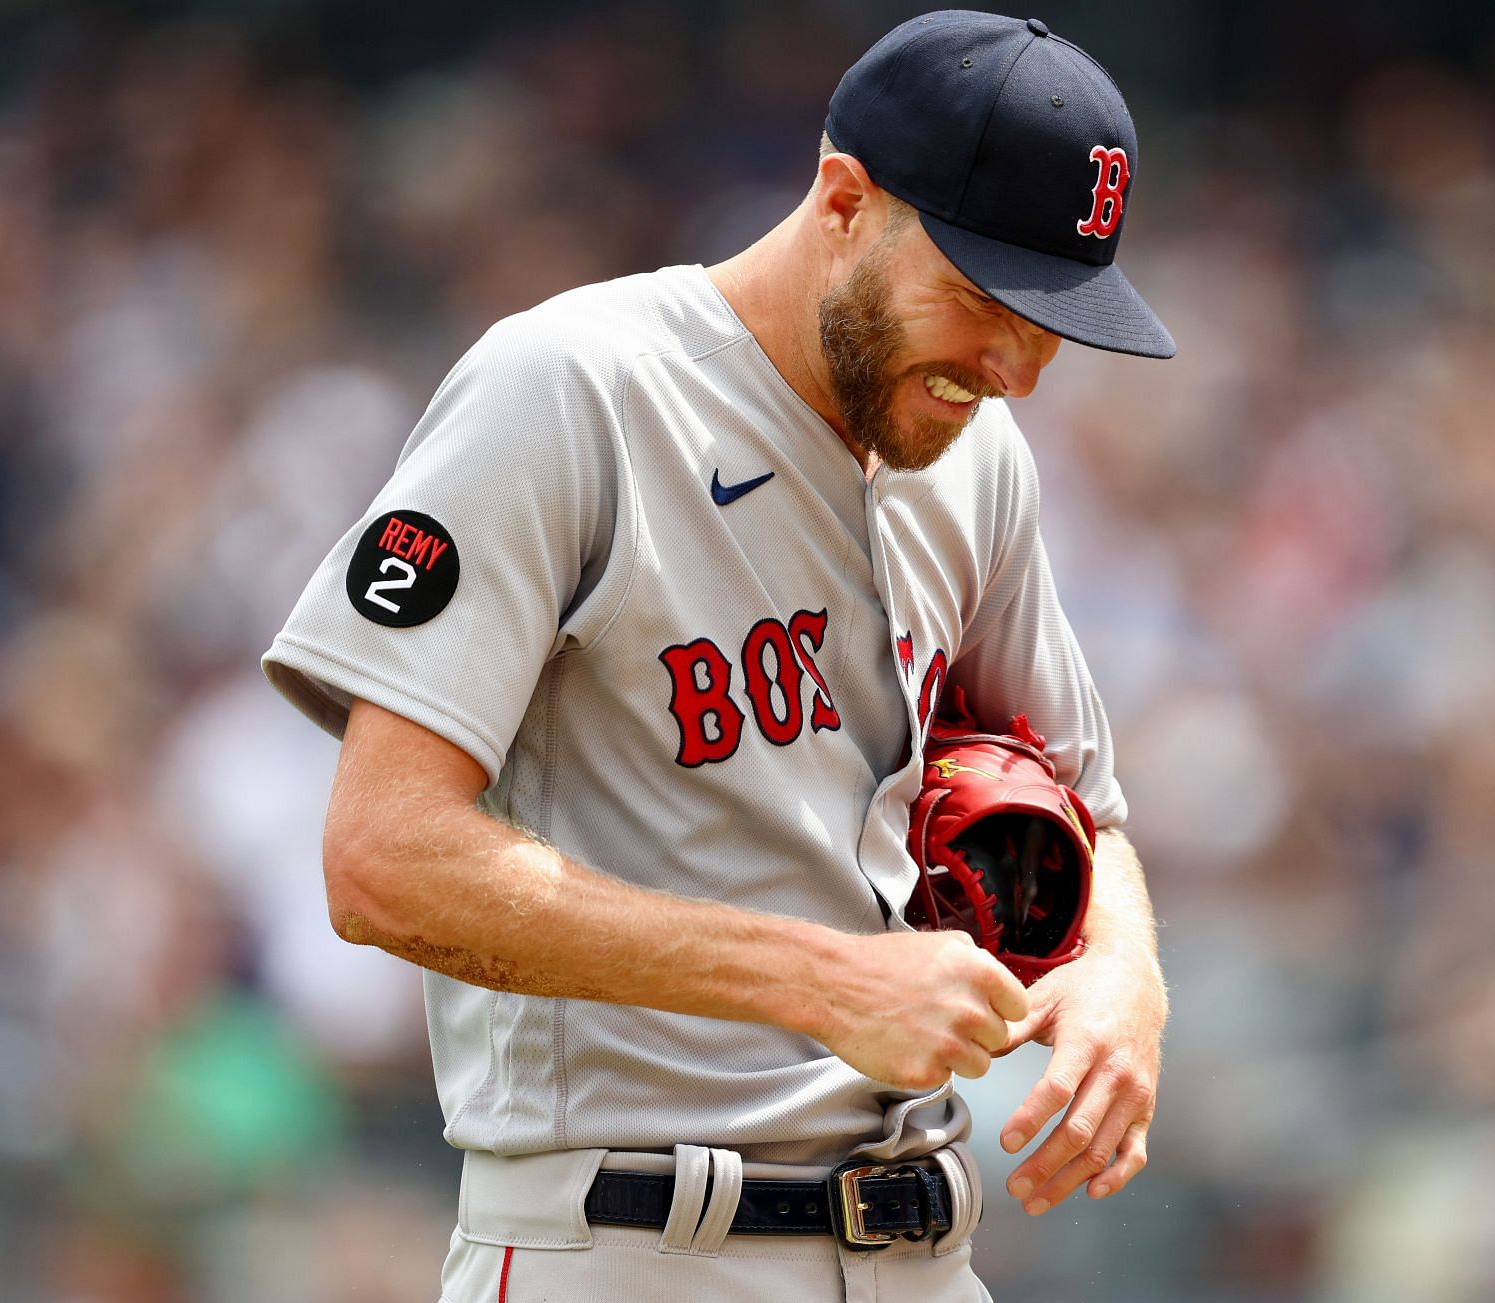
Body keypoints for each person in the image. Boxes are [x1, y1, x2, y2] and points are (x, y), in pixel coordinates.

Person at [264, 11, 1171, 1300]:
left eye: (1055, 321)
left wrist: (1122, 980)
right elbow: (382, 859)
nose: (1017, 368)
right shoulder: (575, 389)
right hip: (636, 1240)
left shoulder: (976, 463)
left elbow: (1090, 806)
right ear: (844, 200)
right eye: (984, 300)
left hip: (926, 1248)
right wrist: (822, 978)